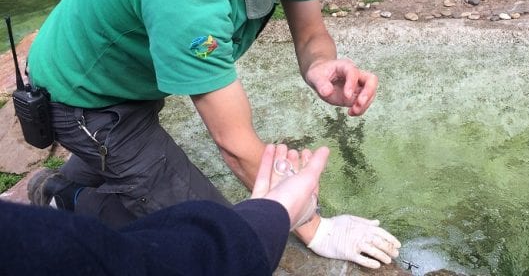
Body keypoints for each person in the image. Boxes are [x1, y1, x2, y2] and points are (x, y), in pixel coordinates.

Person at [25, 0, 406, 268]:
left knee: (138, 169)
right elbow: (234, 144)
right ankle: (65, 199)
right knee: (219, 247)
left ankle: (80, 176)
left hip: (128, 79)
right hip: (87, 102)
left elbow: (310, 35)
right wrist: (315, 227)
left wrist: (321, 65)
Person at [4, 144, 389, 275]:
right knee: (204, 226)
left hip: (128, 96)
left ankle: (66, 184)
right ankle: (63, 192)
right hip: (89, 104)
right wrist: (305, 222)